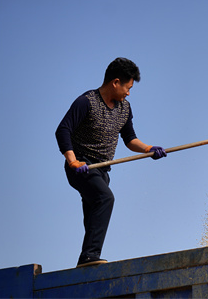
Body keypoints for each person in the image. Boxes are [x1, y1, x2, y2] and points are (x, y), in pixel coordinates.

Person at [55, 57, 167, 268]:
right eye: (128, 87)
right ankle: (89, 256)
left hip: (102, 170)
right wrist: (72, 161)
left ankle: (85, 265)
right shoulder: (86, 102)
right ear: (115, 82)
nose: (128, 93)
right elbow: (63, 130)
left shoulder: (125, 108)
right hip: (82, 167)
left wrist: (148, 149)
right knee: (105, 199)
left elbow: (129, 139)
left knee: (93, 217)